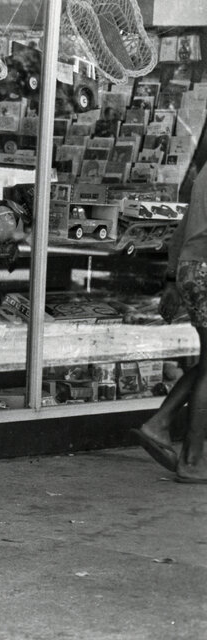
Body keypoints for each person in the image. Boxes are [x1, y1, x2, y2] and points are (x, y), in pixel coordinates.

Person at [132, 162, 207, 483]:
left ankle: (160, 424)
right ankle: (191, 460)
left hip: (194, 267)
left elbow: (185, 226)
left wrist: (173, 277)